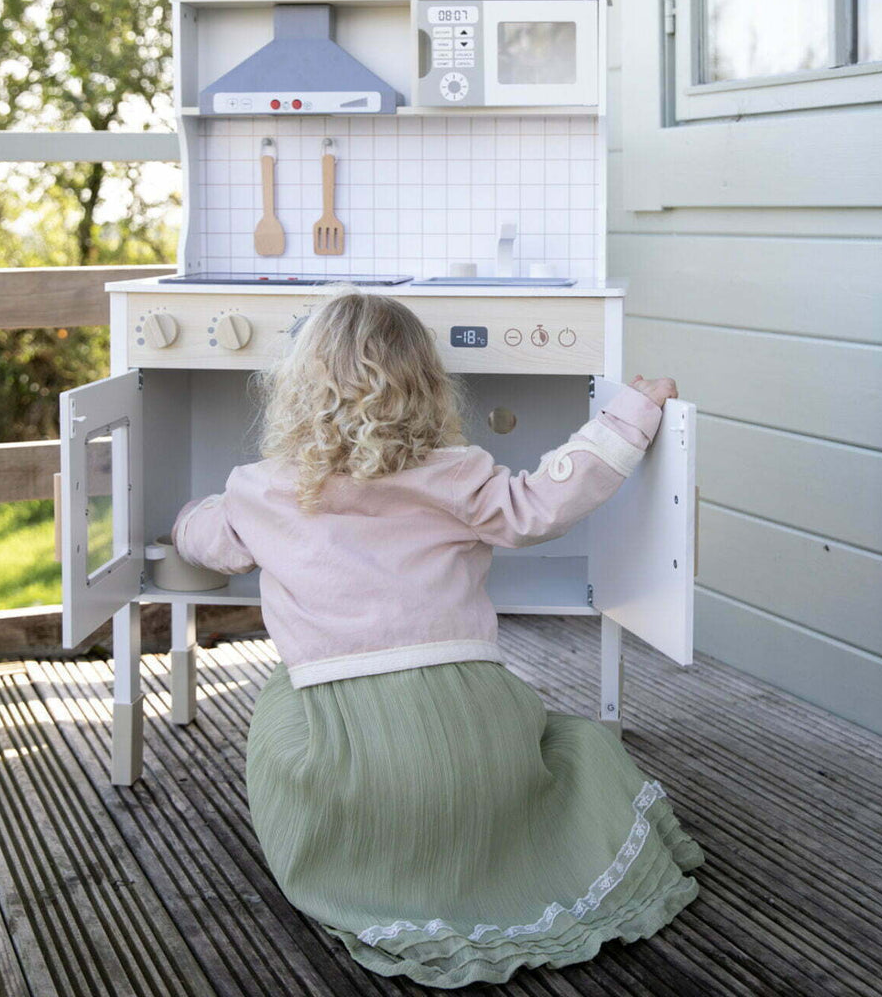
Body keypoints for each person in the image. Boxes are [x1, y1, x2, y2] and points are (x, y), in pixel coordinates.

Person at [171, 284, 705, 989]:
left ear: (295, 388)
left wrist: (186, 515)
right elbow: (544, 501)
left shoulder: (259, 490)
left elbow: (209, 542)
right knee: (578, 750)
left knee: (277, 712)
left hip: (351, 751)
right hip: (473, 728)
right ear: (428, 387)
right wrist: (628, 416)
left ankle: (372, 858)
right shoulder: (457, 473)